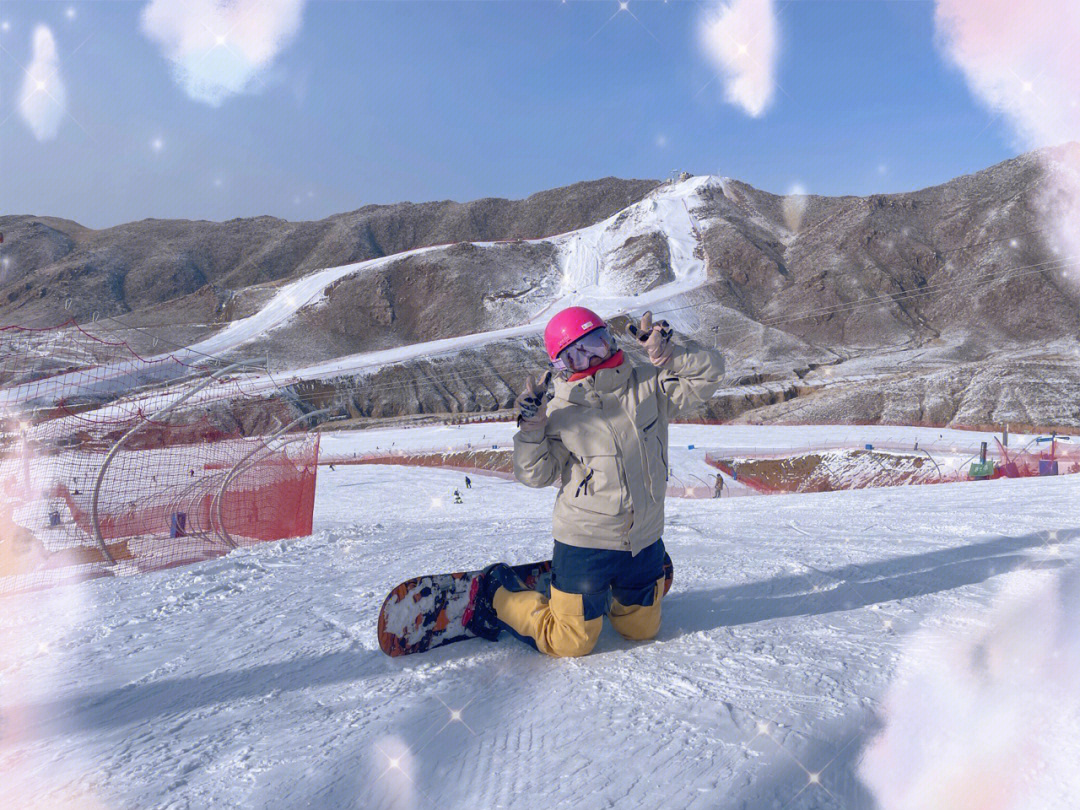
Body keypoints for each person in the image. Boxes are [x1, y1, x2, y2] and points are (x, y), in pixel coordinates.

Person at [462, 307, 724, 657]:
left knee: (642, 631)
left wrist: (668, 355)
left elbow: (709, 377)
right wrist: (532, 428)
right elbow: (534, 475)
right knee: (570, 642)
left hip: (643, 538)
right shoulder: (557, 409)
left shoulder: (650, 382)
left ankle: (607, 595)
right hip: (585, 540)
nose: (588, 358)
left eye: (594, 344)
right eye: (574, 354)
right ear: (562, 364)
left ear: (609, 338)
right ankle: (497, 591)